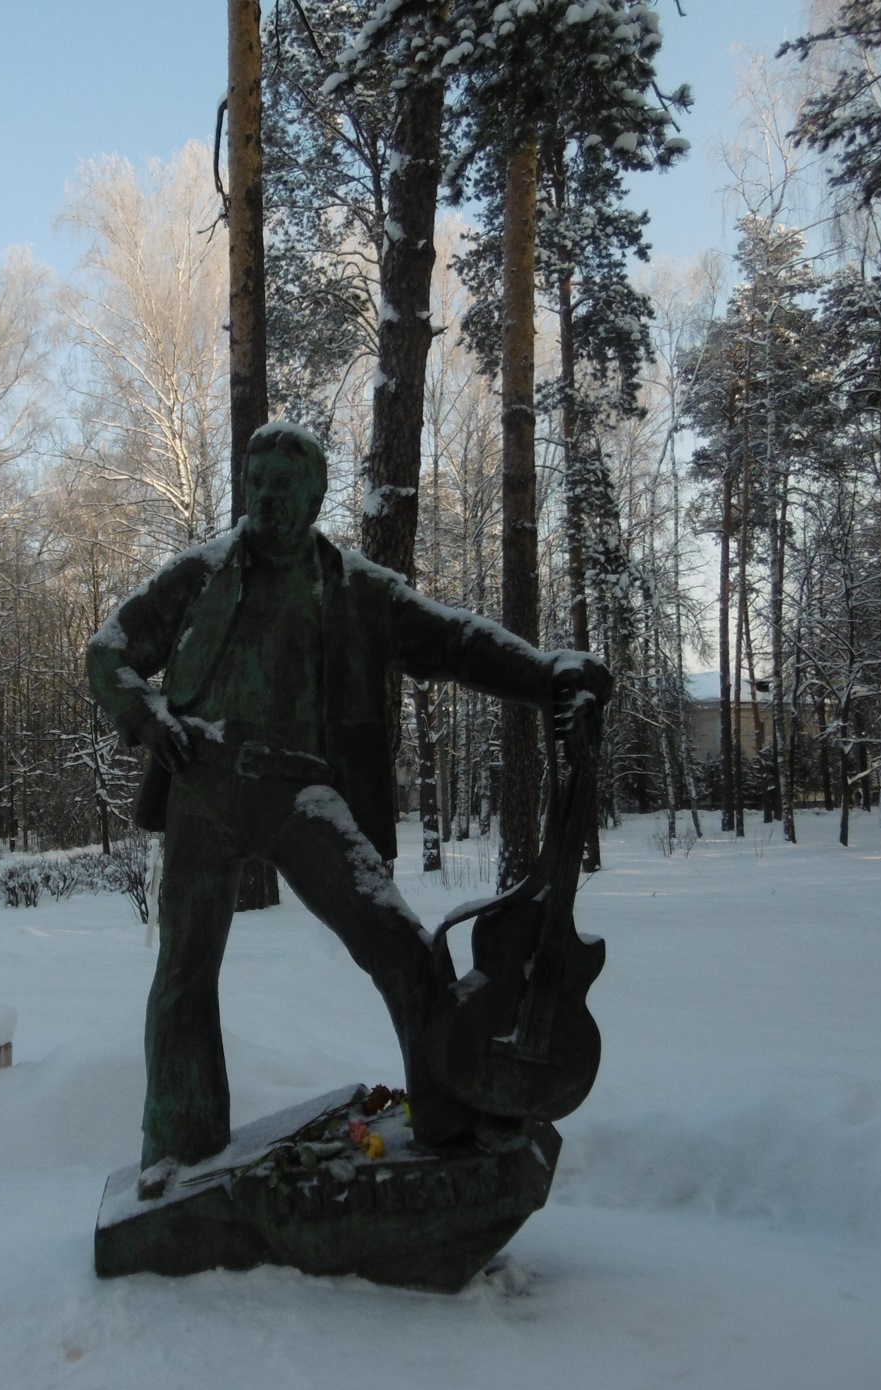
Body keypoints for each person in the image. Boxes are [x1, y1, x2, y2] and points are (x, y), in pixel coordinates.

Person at [87, 421, 609, 1194]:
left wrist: (547, 673)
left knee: (400, 945)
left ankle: (447, 1108)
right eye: (257, 486)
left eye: (285, 489)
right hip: (206, 780)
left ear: (317, 497)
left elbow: (456, 642)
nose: (268, 501)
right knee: (185, 972)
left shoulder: (357, 589)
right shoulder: (199, 575)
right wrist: (146, 713)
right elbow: (108, 651)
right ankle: (178, 1146)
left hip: (303, 793)